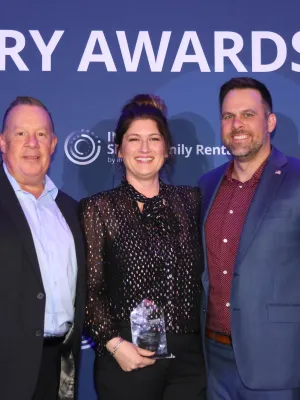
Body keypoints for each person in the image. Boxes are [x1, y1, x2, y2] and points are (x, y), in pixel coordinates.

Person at [81, 94, 206, 400]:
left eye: (154, 138)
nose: (145, 149)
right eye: (134, 139)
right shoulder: (99, 208)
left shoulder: (191, 201)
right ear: (119, 149)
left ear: (167, 148)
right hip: (126, 358)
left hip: (190, 362)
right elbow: (88, 288)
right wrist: (114, 345)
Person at [198, 77, 300, 399]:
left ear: (270, 121)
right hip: (213, 361)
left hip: (277, 364)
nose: (237, 124)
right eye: (228, 116)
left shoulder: (297, 179)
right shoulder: (207, 184)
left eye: (247, 114)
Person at [0, 96, 86, 400]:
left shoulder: (72, 211)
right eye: (20, 133)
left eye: (41, 134)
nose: (32, 143)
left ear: (53, 143)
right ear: (3, 142)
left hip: (60, 368)